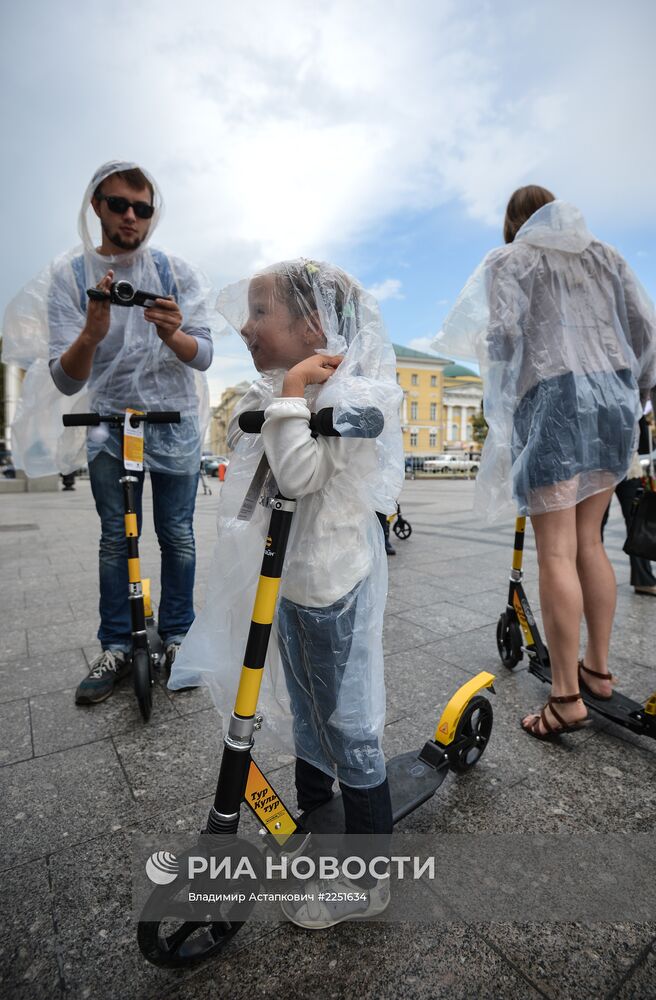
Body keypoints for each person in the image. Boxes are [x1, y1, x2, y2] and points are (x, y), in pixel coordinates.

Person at [170, 259, 404, 927]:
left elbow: (298, 472)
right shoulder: (291, 388)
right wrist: (285, 392)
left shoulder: (346, 398)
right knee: (307, 714)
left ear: (312, 326)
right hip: (294, 589)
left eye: (259, 311)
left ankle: (368, 878)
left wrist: (294, 392)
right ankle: (318, 817)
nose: (244, 324)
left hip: (332, 586)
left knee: (348, 724)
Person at [436, 186, 656, 739]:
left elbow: (504, 337)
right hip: (613, 400)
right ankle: (598, 671)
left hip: (555, 399)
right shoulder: (606, 256)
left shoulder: (510, 259)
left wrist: (507, 405)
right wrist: (641, 393)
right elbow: (645, 332)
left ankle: (565, 698)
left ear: (513, 223)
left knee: (556, 550)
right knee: (589, 543)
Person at [2, 161, 215, 705]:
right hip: (106, 424)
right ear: (95, 204)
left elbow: (205, 355)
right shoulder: (72, 277)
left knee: (179, 536)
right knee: (115, 539)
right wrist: (92, 333)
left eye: (142, 209)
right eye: (118, 204)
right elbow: (64, 376)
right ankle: (117, 643)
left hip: (173, 420)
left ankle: (178, 638)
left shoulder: (175, 273)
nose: (130, 217)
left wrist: (174, 335)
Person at [602, 413, 656, 596]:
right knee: (593, 528)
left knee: (636, 520)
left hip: (629, 461)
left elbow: (644, 395)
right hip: (600, 462)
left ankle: (643, 579)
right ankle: (587, 575)